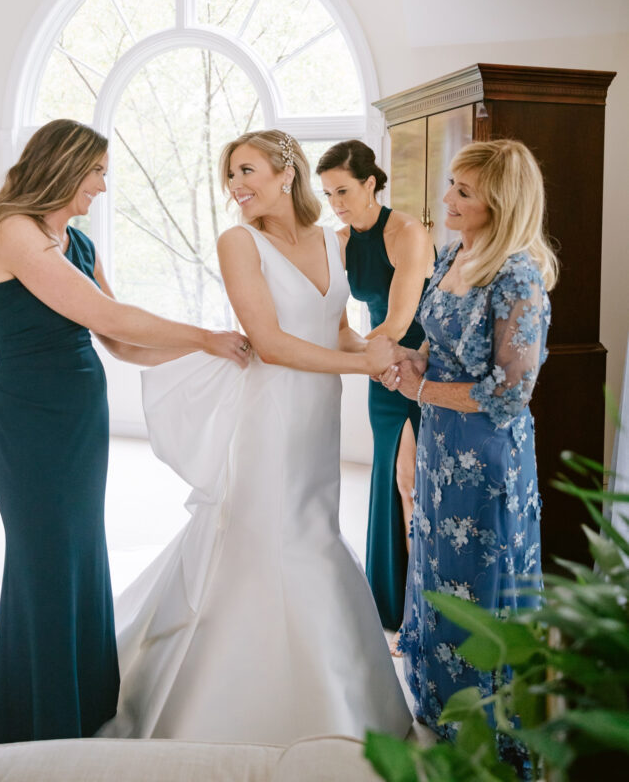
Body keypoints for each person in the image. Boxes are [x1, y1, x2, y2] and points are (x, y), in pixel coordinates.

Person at [97, 129, 411, 744]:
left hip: (316, 415)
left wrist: (389, 353)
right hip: (269, 415)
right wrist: (364, 365)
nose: (235, 187)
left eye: (246, 172)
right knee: (268, 532)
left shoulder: (332, 241)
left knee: (314, 528)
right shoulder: (239, 243)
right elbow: (268, 343)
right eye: (229, 178)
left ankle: (339, 695)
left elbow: (334, 333)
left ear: (285, 172)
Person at [0, 119, 250, 745]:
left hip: (80, 415)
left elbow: (120, 341)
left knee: (80, 549)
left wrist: (208, 352)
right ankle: (37, 715)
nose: (103, 185)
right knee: (45, 557)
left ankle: (84, 699)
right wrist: (202, 334)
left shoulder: (79, 243)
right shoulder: (17, 232)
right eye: (96, 171)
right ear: (64, 167)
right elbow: (104, 312)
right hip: (30, 417)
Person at [383, 139, 557, 769]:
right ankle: (439, 704)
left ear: (501, 202)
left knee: (483, 580)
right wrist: (413, 361)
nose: (447, 199)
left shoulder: (517, 275)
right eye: (450, 184)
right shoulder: (455, 252)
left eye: (464, 190)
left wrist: (421, 386)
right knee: (435, 563)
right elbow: (440, 344)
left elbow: (511, 392)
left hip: (486, 458)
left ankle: (493, 728)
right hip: (438, 447)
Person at [317, 140, 435, 630]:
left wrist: (376, 360)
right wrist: (362, 360)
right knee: (392, 476)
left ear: (371, 183)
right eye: (327, 194)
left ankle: (422, 612)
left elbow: (404, 317)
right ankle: (392, 604)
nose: (336, 202)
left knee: (412, 481)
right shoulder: (340, 242)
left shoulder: (407, 231)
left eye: (343, 190)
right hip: (381, 368)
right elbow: (337, 323)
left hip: (423, 362)